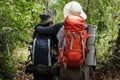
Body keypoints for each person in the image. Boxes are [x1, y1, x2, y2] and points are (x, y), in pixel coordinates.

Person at [32, 9, 63, 80]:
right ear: (51, 20)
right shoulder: (53, 31)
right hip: (50, 67)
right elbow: (58, 46)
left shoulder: (37, 31)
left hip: (37, 66)